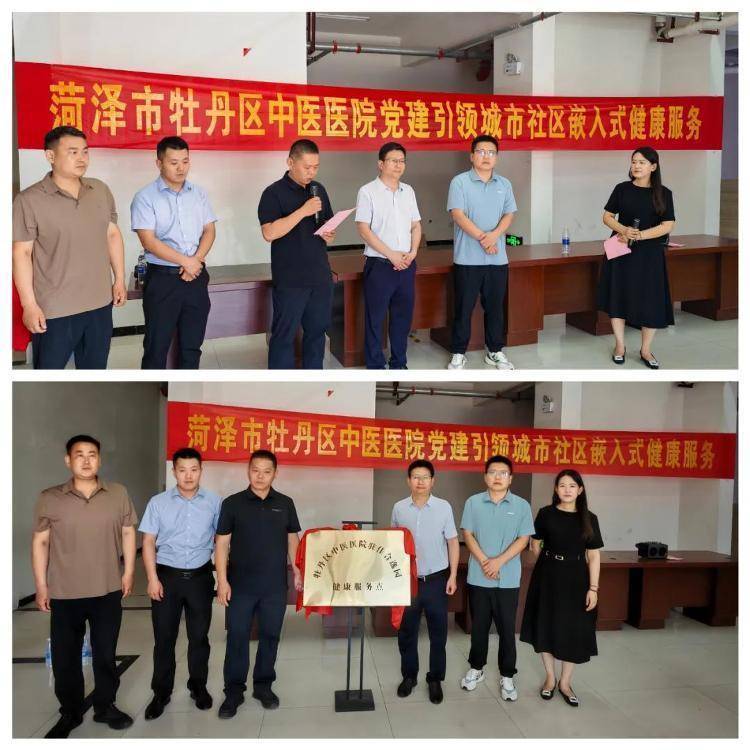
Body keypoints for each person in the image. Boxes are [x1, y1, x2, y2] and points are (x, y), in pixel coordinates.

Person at [30, 435, 137, 738]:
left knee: (105, 653)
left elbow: (128, 533)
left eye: (92, 454)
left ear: (99, 459)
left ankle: (105, 706)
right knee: (65, 657)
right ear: (68, 460)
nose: (87, 460)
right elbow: (40, 542)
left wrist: (129, 571)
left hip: (107, 589)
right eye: (79, 455)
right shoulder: (50, 497)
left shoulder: (118, 493)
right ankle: (70, 711)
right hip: (65, 592)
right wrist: (41, 584)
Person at [12, 126, 126, 369]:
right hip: (55, 309)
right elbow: (22, 253)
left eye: (85, 151)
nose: (82, 158)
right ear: (50, 156)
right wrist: (29, 305)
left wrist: (119, 280)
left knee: (95, 371)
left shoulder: (99, 190)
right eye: (73, 152)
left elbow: (112, 235)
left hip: (99, 303)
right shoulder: (29, 200)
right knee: (49, 374)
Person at [215, 450, 303, 715]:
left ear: (275, 473)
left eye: (266, 471)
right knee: (237, 637)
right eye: (255, 470)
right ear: (248, 471)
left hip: (274, 586)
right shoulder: (233, 503)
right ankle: (233, 692)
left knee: (270, 636)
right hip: (240, 585)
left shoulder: (285, 503)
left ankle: (263, 686)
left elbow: (292, 539)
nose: (260, 476)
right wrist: (222, 581)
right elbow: (222, 544)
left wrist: (297, 570)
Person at [138, 447, 223, 720]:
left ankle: (198, 687)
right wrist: (152, 578)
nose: (188, 475)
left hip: (200, 578)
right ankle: (161, 693)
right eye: (182, 470)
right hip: (167, 578)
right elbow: (148, 541)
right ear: (174, 471)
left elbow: (221, 541)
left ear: (201, 471)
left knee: (199, 637)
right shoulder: (158, 502)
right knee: (164, 638)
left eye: (194, 469)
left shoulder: (214, 502)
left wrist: (223, 578)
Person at [131, 136, 218, 369]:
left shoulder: (198, 193)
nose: (181, 168)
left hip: (196, 277)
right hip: (163, 280)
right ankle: (153, 389)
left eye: (185, 161)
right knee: (156, 346)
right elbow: (148, 240)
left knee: (192, 345)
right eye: (174, 163)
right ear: (159, 163)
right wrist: (186, 262)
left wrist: (195, 262)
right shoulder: (145, 197)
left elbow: (209, 230)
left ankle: (185, 388)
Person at [520, 470, 603, 707]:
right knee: (545, 624)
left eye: (572, 485)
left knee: (572, 629)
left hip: (577, 578)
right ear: (556, 489)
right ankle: (550, 678)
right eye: (562, 485)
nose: (567, 490)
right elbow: (535, 544)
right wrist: (547, 561)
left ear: (580, 490)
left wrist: (593, 588)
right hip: (547, 576)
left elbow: (594, 556)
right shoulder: (546, 514)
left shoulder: (589, 518)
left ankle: (565, 683)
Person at [459, 455, 534, 701]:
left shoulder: (521, 505)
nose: (497, 477)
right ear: (485, 477)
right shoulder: (473, 502)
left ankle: (507, 675)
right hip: (478, 577)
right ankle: (476, 668)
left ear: (510, 478)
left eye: (503, 473)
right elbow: (468, 534)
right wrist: (485, 561)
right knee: (479, 627)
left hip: (507, 579)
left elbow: (524, 539)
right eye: (492, 472)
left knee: (506, 630)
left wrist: (499, 562)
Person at [258, 139, 336, 369]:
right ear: (290, 162)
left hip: (320, 275)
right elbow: (269, 233)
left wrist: (329, 234)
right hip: (291, 278)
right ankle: (282, 384)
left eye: (316, 167)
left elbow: (327, 226)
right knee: (284, 335)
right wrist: (303, 211)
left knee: (317, 333)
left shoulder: (318, 189)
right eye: (307, 167)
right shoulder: (273, 193)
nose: (312, 172)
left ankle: (312, 380)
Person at [596, 146, 676, 369]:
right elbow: (607, 216)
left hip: (650, 253)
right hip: (620, 247)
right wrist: (623, 229)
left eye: (641, 162)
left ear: (653, 166)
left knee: (650, 300)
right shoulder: (622, 189)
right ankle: (620, 346)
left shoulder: (664, 193)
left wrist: (640, 235)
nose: (636, 166)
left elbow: (668, 225)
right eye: (633, 162)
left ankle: (645, 350)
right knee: (618, 295)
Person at [446, 134, 517, 371]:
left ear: (497, 157)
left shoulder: (504, 184)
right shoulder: (459, 182)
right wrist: (484, 239)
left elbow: (509, 214)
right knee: (463, 308)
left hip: (497, 259)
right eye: (481, 151)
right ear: (471, 156)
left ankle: (495, 350)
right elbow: (458, 215)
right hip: (467, 259)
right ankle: (458, 353)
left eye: (491, 152)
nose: (486, 156)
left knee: (495, 308)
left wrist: (494, 236)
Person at [391, 460, 459, 704]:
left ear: (433, 481)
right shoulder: (399, 508)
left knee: (438, 634)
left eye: (425, 477)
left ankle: (435, 679)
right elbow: (393, 542)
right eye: (415, 477)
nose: (420, 482)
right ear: (408, 480)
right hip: (408, 581)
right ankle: (409, 676)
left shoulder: (444, 507)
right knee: (407, 632)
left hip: (436, 580)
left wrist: (452, 575)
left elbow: (452, 541)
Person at [355, 142, 422, 369]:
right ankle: (375, 365)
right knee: (375, 319)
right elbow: (364, 229)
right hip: (380, 265)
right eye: (394, 161)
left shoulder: (409, 191)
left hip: (407, 264)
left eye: (402, 161)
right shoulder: (367, 191)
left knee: (402, 319)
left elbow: (416, 225)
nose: (398, 165)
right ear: (381, 164)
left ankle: (399, 363)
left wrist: (413, 252)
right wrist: (391, 254)